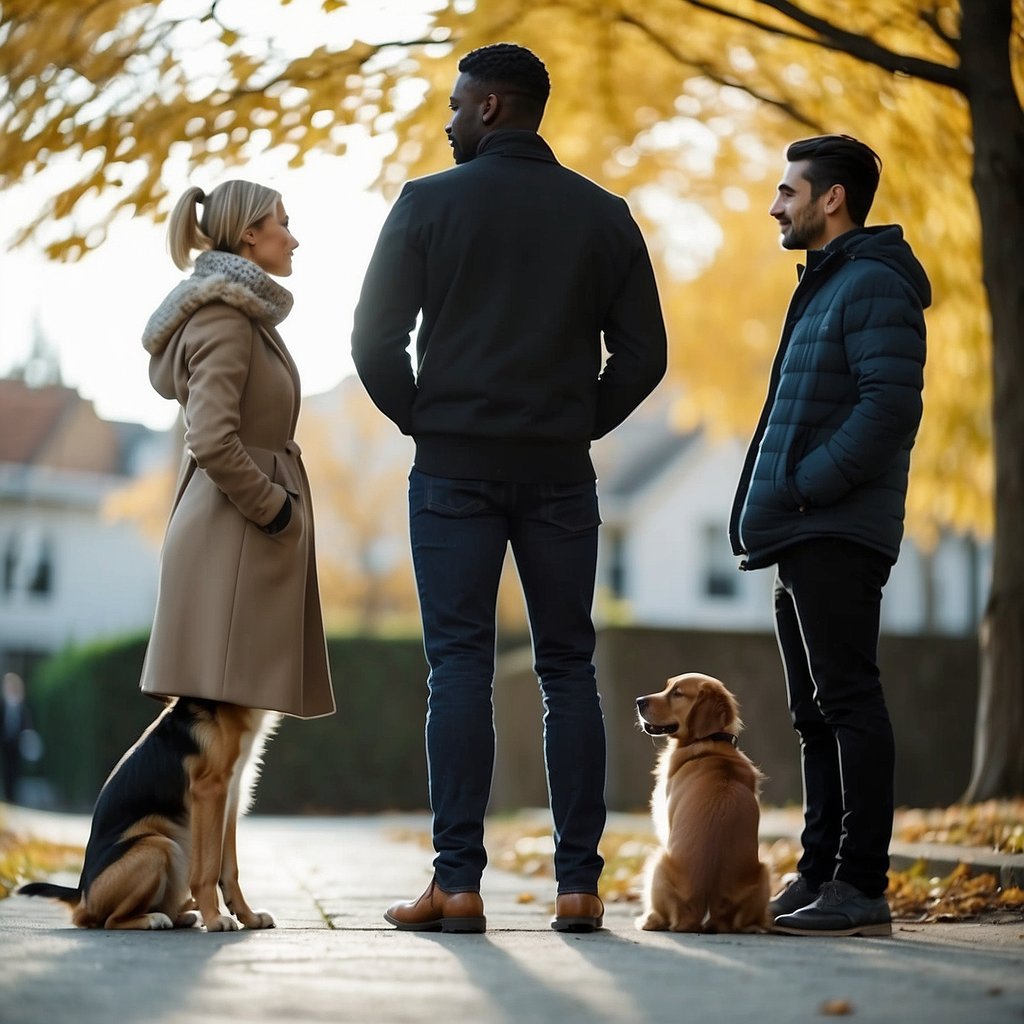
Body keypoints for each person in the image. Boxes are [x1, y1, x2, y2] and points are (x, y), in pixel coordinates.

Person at [352, 43, 666, 934]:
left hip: (452, 468)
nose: (447, 121)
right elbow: (646, 355)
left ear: (490, 107)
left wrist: (427, 420)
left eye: (456, 105)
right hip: (560, 472)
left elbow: (373, 340)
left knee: (459, 666)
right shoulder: (605, 216)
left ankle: (457, 885)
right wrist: (582, 420)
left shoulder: (426, 204)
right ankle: (578, 887)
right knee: (570, 668)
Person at [729, 135, 929, 936]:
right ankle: (818, 872)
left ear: (830, 198)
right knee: (813, 710)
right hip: (806, 528)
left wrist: (809, 487)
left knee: (847, 700)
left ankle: (861, 883)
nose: (777, 205)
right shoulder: (826, 286)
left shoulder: (872, 284)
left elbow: (889, 408)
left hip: (836, 526)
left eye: (788, 191)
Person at [139, 180, 334, 721]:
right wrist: (275, 509)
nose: (293, 240)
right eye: (283, 224)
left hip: (238, 536)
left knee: (222, 741)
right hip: (233, 536)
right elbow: (209, 437)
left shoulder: (242, 315)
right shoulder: (225, 317)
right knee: (216, 742)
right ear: (250, 234)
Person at [1, 672, 34, 803]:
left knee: (15, 770)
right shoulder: (3, 705)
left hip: (16, 743)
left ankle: (13, 796)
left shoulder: (22, 706)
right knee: (6, 770)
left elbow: (26, 724)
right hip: (5, 743)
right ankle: (7, 795)